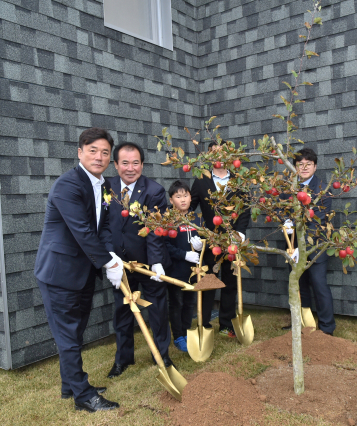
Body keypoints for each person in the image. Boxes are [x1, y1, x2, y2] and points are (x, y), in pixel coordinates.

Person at [34, 127, 123, 412]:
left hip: (83, 273)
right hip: (59, 273)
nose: (99, 157)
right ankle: (83, 396)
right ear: (80, 152)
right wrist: (109, 263)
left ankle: (68, 385)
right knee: (68, 336)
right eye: (93, 150)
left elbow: (105, 227)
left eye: (105, 152)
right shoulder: (67, 185)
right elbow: (83, 232)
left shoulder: (106, 186)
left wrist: (110, 254)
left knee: (75, 332)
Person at [107, 141, 173, 377]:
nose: (130, 168)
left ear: (142, 165)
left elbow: (155, 230)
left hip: (148, 262)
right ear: (116, 165)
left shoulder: (154, 191)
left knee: (157, 310)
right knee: (122, 312)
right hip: (119, 265)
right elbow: (103, 225)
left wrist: (156, 262)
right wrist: (108, 257)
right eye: (125, 163)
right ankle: (123, 359)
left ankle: (162, 355)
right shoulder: (107, 188)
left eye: (136, 163)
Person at [190, 142, 250, 338]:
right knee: (209, 281)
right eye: (213, 153)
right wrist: (194, 235)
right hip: (211, 240)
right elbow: (189, 210)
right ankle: (205, 323)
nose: (218, 157)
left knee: (231, 282)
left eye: (222, 153)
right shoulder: (201, 180)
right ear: (208, 156)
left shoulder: (239, 179)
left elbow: (245, 208)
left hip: (232, 240)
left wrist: (240, 232)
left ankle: (226, 324)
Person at [283, 147, 335, 335]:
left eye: (308, 165)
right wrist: (286, 223)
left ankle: (327, 328)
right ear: (295, 167)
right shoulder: (288, 187)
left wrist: (303, 246)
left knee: (319, 284)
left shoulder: (322, 189)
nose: (304, 168)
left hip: (315, 247)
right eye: (300, 165)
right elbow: (281, 210)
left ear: (315, 166)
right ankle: (302, 324)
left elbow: (319, 220)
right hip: (292, 246)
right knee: (298, 286)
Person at [164, 180, 204, 352]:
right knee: (176, 303)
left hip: (193, 271)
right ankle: (178, 335)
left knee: (189, 302)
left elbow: (205, 238)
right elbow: (165, 245)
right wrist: (184, 254)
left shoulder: (196, 218)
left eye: (186, 195)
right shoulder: (168, 220)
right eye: (178, 196)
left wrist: (202, 246)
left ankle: (187, 331)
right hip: (175, 270)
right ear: (171, 200)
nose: (183, 200)